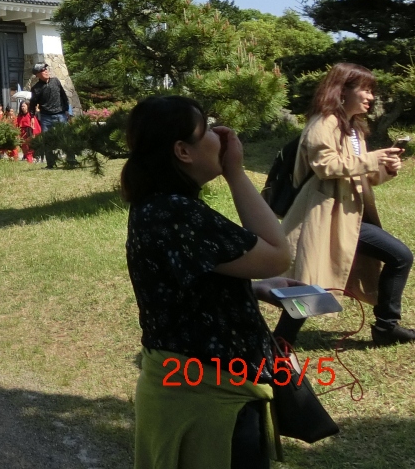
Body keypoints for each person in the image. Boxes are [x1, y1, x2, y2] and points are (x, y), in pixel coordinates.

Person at [122, 95, 293, 469]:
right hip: (207, 399)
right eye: (208, 128)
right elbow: (279, 254)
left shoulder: (161, 205)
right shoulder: (177, 213)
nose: (221, 134)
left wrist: (252, 289)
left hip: (191, 390)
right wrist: (236, 172)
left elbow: (187, 279)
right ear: (183, 151)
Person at [277, 63, 412, 347]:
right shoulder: (323, 122)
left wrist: (387, 167)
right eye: (365, 89)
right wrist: (374, 158)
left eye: (371, 91)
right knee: (310, 281)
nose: (370, 97)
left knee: (399, 256)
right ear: (342, 91)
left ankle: (387, 326)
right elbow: (327, 166)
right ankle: (281, 339)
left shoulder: (354, 130)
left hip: (349, 216)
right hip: (323, 215)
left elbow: (362, 173)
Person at [30, 63, 70, 167]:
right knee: (47, 140)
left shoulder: (55, 81)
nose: (46, 71)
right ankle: (50, 163)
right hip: (46, 117)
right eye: (43, 70)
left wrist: (66, 110)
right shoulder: (36, 88)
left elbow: (63, 96)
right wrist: (32, 117)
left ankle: (71, 159)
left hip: (60, 114)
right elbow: (33, 103)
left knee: (66, 137)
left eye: (46, 69)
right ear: (37, 74)